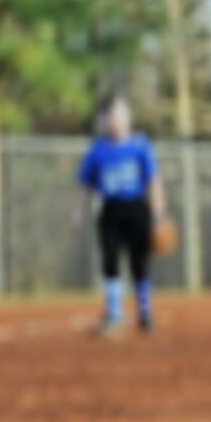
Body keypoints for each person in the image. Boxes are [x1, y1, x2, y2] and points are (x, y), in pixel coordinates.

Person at [78, 96, 160, 339]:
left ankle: (145, 312)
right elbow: (86, 186)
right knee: (110, 260)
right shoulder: (98, 151)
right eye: (110, 116)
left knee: (139, 262)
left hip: (137, 208)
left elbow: (153, 181)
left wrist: (158, 213)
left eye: (119, 114)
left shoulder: (140, 146)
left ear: (127, 118)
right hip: (110, 209)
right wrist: (76, 214)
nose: (114, 120)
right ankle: (115, 314)